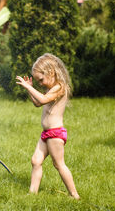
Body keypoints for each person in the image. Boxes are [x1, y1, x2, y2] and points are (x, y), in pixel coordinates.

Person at [16, 53, 80, 199]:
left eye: (41, 80)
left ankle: (74, 195)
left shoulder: (59, 87)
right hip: (46, 134)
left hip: (55, 133)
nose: (40, 83)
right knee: (35, 161)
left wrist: (28, 87)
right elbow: (38, 103)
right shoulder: (49, 89)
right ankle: (32, 194)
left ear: (51, 72)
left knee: (59, 165)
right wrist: (29, 88)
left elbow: (43, 99)